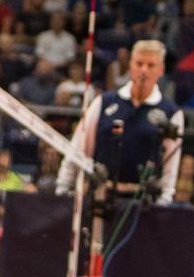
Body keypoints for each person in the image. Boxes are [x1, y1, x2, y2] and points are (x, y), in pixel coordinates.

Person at [55, 39, 184, 203]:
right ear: (131, 65)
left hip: (143, 201)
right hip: (99, 195)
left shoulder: (171, 112)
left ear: (161, 70)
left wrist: (165, 199)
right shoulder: (104, 102)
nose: (144, 70)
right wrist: (63, 187)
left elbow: (171, 164)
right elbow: (78, 147)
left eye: (151, 65)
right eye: (139, 63)